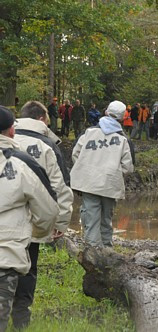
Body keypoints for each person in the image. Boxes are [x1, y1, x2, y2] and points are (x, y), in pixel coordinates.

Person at [11, 101, 74, 329]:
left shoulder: (7, 139)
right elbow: (61, 186)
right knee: (28, 268)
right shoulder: (47, 146)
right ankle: (21, 319)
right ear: (41, 119)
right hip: (33, 219)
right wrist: (61, 222)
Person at [0, 105, 59, 332]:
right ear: (11, 131)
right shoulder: (22, 165)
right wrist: (35, 233)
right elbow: (48, 210)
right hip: (6, 256)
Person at [70, 101, 134, 247]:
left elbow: (76, 154)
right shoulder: (123, 140)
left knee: (91, 219)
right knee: (106, 220)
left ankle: (93, 253)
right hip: (110, 185)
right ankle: (107, 251)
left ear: (106, 112)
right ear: (123, 118)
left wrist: (85, 170)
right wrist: (114, 174)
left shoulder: (89, 133)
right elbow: (128, 167)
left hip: (89, 183)